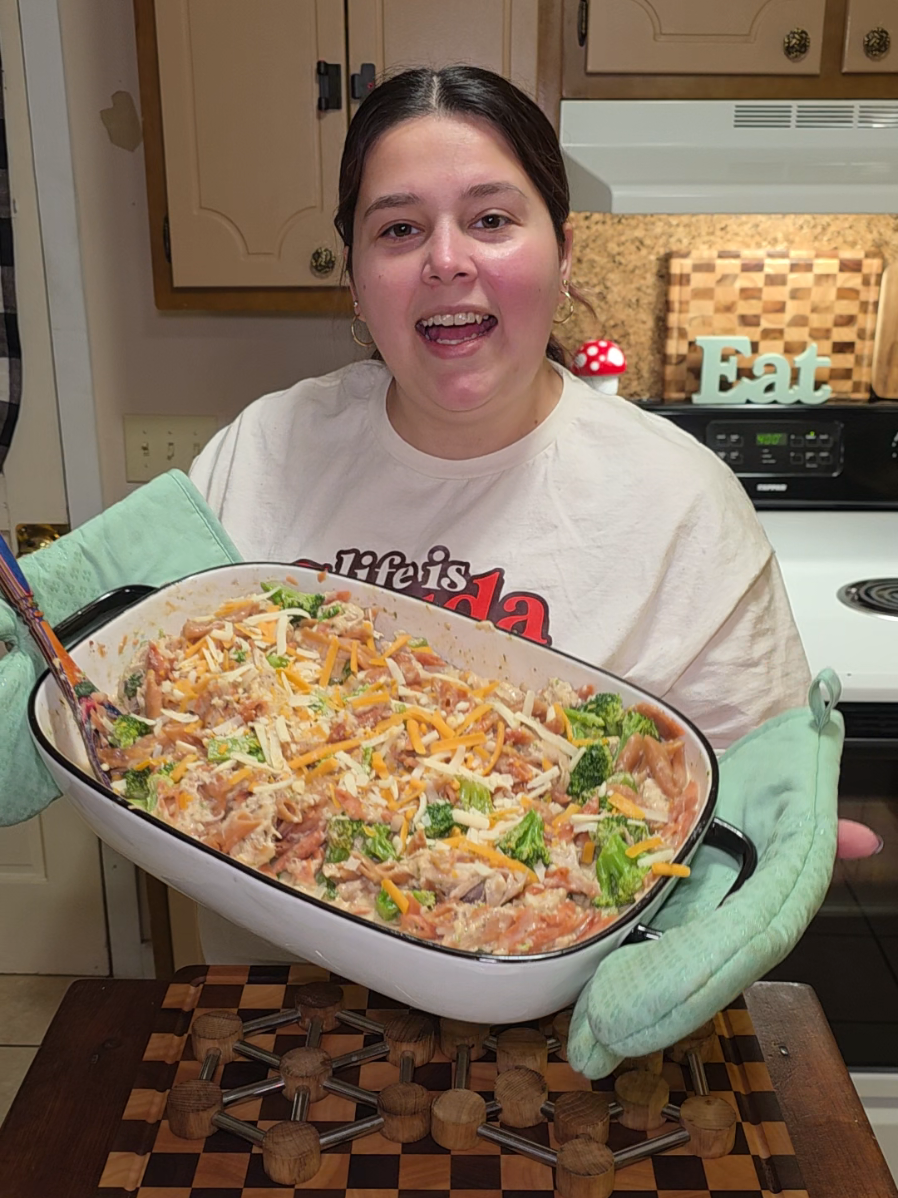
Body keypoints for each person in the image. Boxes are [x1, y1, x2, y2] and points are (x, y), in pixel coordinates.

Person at [185, 64, 817, 959]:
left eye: (490, 219)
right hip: (272, 1000)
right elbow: (131, 697)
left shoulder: (680, 502)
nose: (446, 259)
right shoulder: (263, 451)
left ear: (564, 252)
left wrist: (769, 849)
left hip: (563, 1014)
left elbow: (741, 801)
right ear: (357, 278)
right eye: (399, 228)